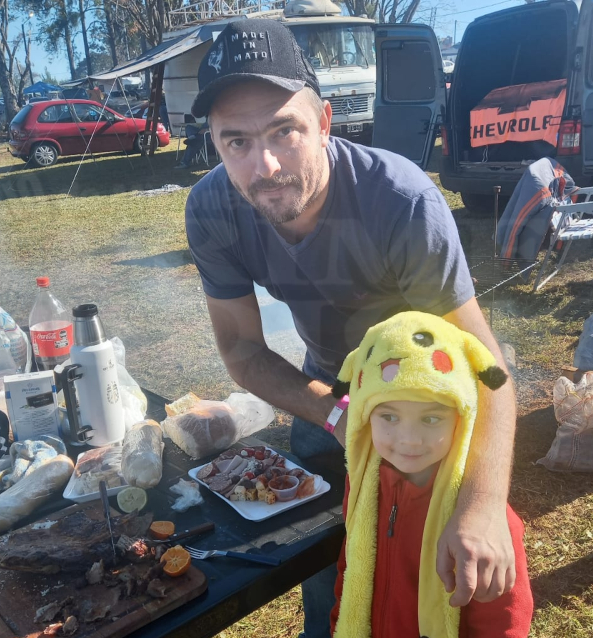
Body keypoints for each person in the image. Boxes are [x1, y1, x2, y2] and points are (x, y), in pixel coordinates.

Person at [184, 19, 519, 638]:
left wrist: (482, 505)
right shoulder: (211, 209)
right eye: (237, 142)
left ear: (325, 122)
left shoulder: (400, 201)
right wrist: (338, 414)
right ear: (215, 143)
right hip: (328, 385)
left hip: (425, 394)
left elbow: (486, 367)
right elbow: (241, 348)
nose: (265, 165)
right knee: (328, 555)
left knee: (434, 565)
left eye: (284, 131)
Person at [328, 312, 532, 638]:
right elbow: (350, 565)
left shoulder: (480, 519)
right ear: (364, 417)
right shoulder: (363, 484)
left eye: (431, 419)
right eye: (389, 417)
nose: (409, 439)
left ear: (461, 419)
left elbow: (501, 620)